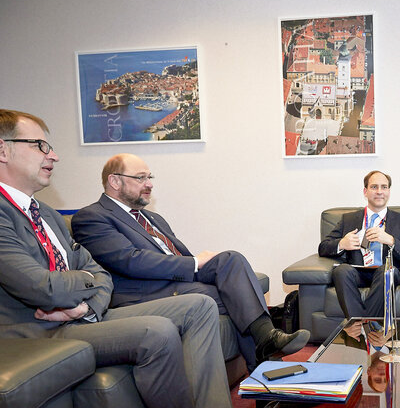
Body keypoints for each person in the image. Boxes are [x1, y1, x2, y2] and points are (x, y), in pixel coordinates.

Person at [0, 109, 253, 408]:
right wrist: (85, 283)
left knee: (199, 305)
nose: (53, 155)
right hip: (35, 331)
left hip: (77, 316)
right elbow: (42, 288)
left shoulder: (47, 213)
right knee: (157, 332)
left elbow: (98, 274)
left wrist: (88, 304)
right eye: (40, 145)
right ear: (3, 150)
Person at [71, 153, 309, 371]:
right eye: (141, 178)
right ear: (114, 181)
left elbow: (170, 255)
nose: (150, 184)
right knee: (232, 294)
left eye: (149, 177)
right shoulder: (92, 217)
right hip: (142, 292)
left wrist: (198, 262)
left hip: (174, 280)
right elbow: (130, 261)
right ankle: (269, 365)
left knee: (230, 259)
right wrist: (194, 262)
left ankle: (267, 340)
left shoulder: (152, 217)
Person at [318, 170, 400, 317]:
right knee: (341, 270)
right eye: (374, 187)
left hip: (388, 271)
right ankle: (364, 324)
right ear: (365, 191)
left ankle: (364, 325)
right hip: (359, 272)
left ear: (389, 191)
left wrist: (391, 241)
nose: (379, 192)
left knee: (386, 271)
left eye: (384, 187)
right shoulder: (349, 219)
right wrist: (342, 243)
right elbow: (323, 247)